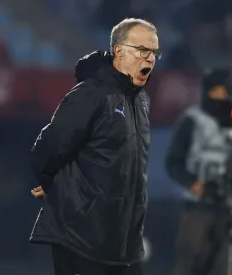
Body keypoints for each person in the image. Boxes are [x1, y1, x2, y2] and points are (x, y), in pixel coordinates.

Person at [29, 18, 160, 275]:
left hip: (124, 241)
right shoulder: (91, 94)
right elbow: (49, 148)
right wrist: (52, 185)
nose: (150, 58)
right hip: (82, 238)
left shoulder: (141, 100)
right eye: (143, 50)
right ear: (119, 51)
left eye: (154, 52)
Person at [165, 69, 232, 275]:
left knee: (225, 263)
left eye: (223, 93)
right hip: (199, 203)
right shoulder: (193, 121)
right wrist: (192, 182)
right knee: (189, 257)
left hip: (228, 205)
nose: (219, 98)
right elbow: (173, 162)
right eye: (215, 92)